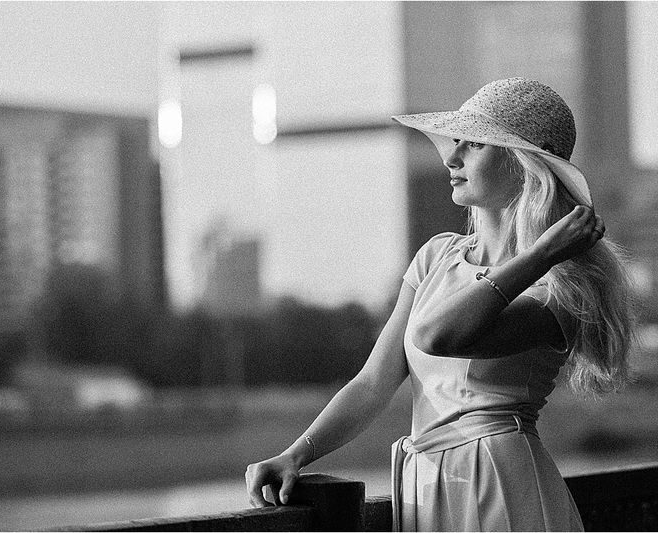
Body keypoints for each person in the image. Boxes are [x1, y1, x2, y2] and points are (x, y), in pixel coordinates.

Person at [245, 77, 637, 531]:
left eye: (475, 144)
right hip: (425, 490)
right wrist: (295, 454)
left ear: (523, 163)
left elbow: (438, 335)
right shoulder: (437, 256)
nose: (451, 157)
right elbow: (372, 383)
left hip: (501, 488)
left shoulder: (558, 286)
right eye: (455, 141)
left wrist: (541, 254)